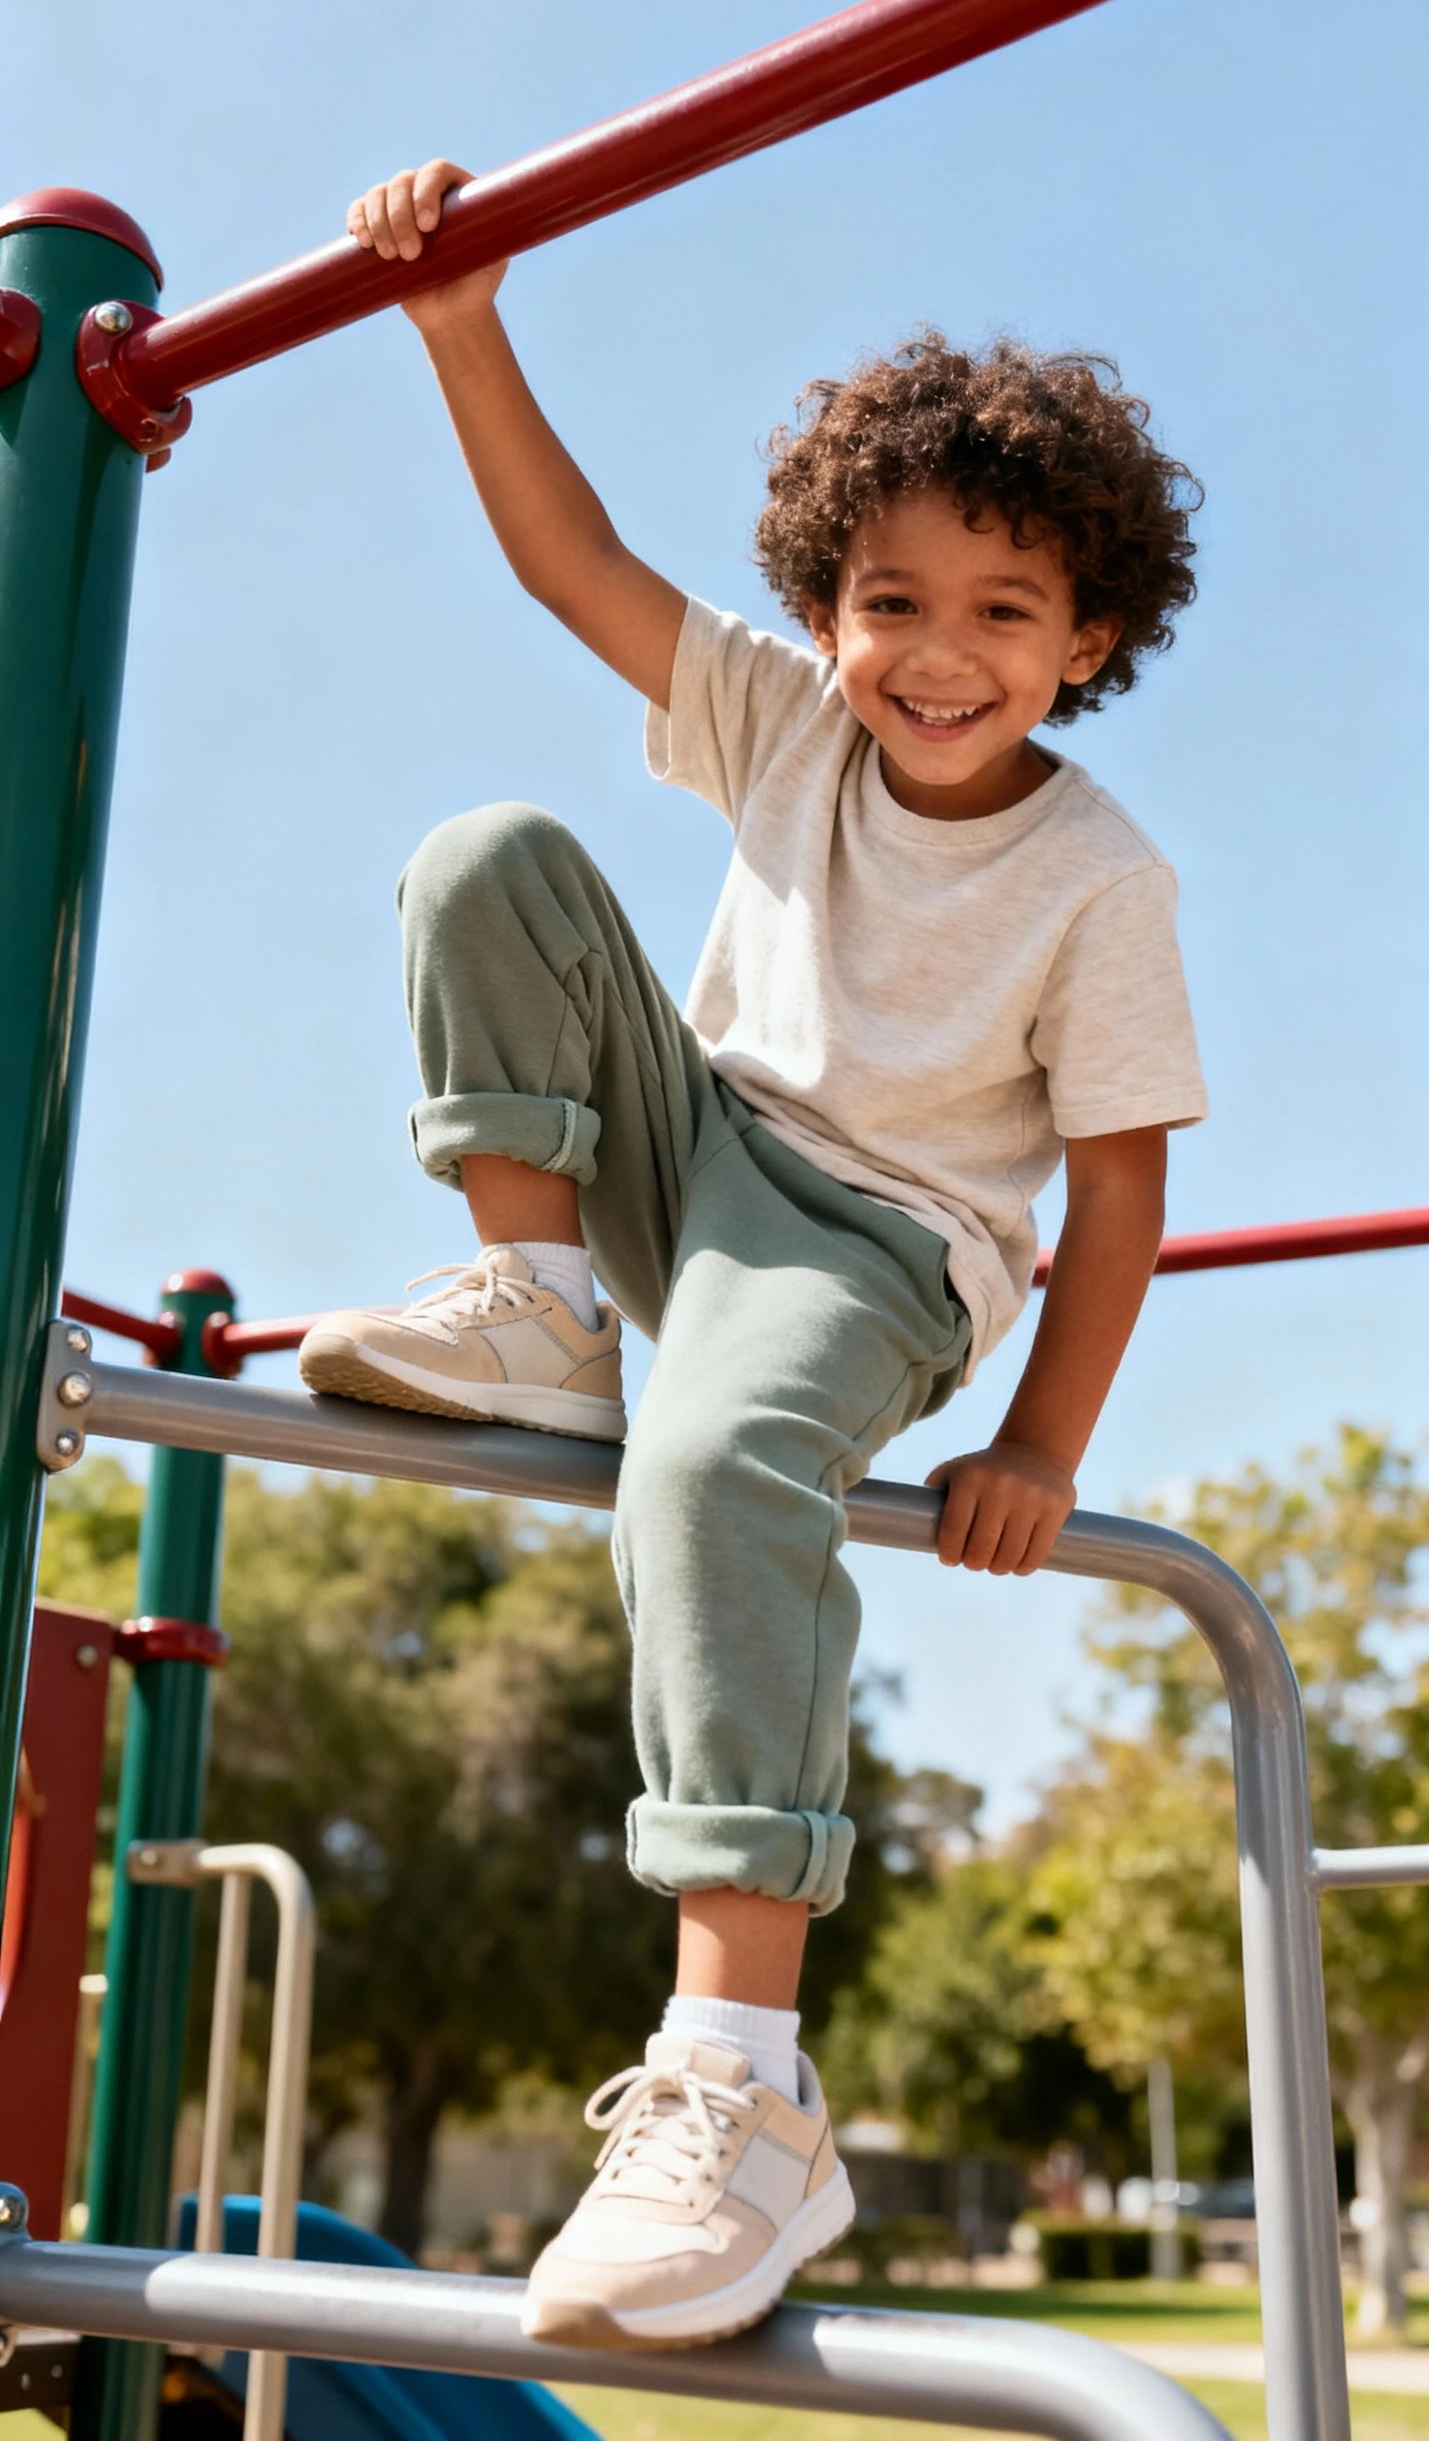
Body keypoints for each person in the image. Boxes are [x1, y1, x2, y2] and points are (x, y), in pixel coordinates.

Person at [301, 157, 1208, 2352]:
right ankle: (533, 1299)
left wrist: (1041, 1442)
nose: (941, 652)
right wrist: (460, 323)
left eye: (1006, 609)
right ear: (826, 615)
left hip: (882, 1242)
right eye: (892, 599)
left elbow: (1116, 1188)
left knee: (708, 1474)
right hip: (694, 1150)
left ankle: (741, 2073)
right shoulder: (792, 725)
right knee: (487, 858)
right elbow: (570, 560)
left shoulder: (1100, 875)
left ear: (1088, 639)